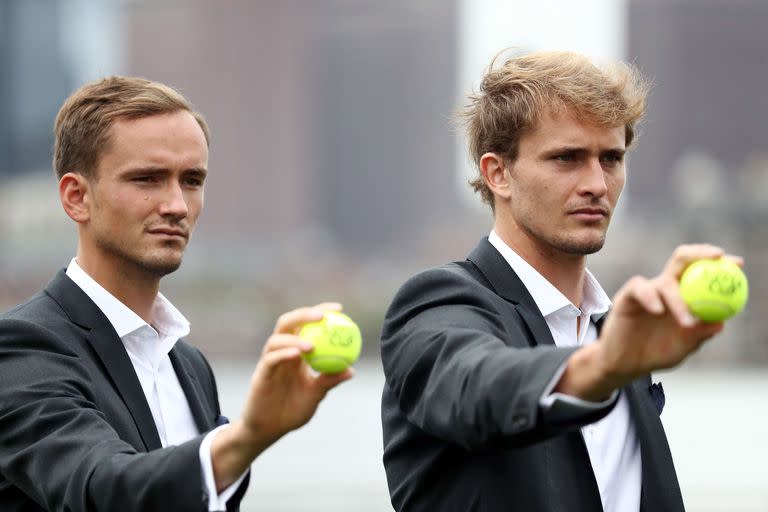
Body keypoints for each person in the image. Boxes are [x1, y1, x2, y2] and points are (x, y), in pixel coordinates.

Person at [380, 50, 741, 512]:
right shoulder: (437, 305)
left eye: (611, 158)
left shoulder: (616, 340)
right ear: (498, 173)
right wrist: (604, 366)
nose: (596, 183)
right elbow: (477, 387)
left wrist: (614, 359)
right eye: (567, 158)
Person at [0, 76, 352, 511]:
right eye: (147, 179)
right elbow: (100, 489)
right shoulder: (19, 349)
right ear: (76, 198)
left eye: (191, 180)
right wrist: (247, 437)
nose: (177, 206)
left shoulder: (191, 365)